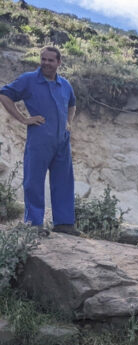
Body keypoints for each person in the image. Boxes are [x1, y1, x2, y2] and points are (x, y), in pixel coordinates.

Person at [0, 46, 79, 235]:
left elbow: (72, 104)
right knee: (33, 181)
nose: (46, 63)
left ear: (59, 62)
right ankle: (34, 224)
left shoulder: (65, 84)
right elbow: (4, 94)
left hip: (62, 141)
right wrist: (24, 119)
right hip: (40, 139)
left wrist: (69, 123)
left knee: (64, 181)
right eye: (43, 59)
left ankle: (64, 223)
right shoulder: (29, 80)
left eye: (51, 60)